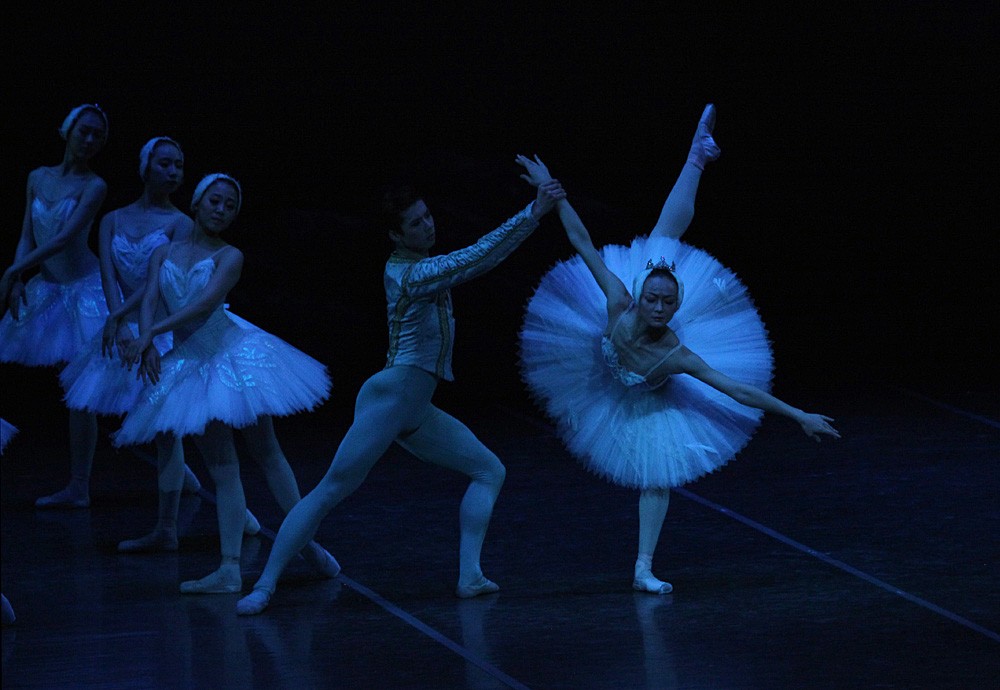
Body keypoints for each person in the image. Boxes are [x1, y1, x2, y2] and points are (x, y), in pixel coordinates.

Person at [516, 105, 839, 594]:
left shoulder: (677, 353)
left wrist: (798, 415)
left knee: (657, 474)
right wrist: (551, 189)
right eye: (653, 300)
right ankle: (696, 156)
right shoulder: (619, 300)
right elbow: (581, 240)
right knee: (662, 240)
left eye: (668, 303)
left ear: (677, 305)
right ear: (641, 296)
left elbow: (737, 390)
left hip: (650, 396)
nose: (659, 308)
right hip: (602, 365)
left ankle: (643, 568)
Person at [235, 171, 566, 615]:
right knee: (332, 489)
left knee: (489, 470)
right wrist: (534, 212)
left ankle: (470, 576)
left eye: (427, 216)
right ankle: (264, 586)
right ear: (396, 235)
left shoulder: (422, 265)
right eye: (415, 223)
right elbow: (478, 258)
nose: (427, 225)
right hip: (391, 399)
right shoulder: (411, 274)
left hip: (415, 407)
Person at [113, 173, 338, 593]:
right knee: (222, 466)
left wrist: (151, 333)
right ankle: (230, 569)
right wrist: (146, 339)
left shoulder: (230, 256)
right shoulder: (163, 252)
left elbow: (205, 304)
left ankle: (306, 544)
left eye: (230, 206)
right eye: (215, 201)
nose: (221, 209)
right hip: (190, 363)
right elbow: (150, 298)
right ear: (197, 203)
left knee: (267, 451)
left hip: (232, 355)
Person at [59, 136, 211, 551]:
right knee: (89, 403)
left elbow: (157, 283)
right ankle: (80, 484)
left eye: (179, 165)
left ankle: (167, 528)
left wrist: (132, 324)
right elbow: (108, 275)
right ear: (145, 167)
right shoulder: (113, 219)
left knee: (165, 427)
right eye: (165, 163)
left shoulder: (181, 224)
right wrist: (116, 320)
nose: (173, 172)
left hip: (159, 327)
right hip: (123, 324)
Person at [0, 104, 110, 509]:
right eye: (84, 131)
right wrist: (17, 277)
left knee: (88, 393)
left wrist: (13, 271)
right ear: (68, 130)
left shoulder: (95, 186)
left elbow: (63, 238)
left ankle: (80, 486)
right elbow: (27, 235)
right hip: (47, 287)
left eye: (98, 135)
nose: (90, 140)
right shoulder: (37, 177)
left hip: (86, 293)